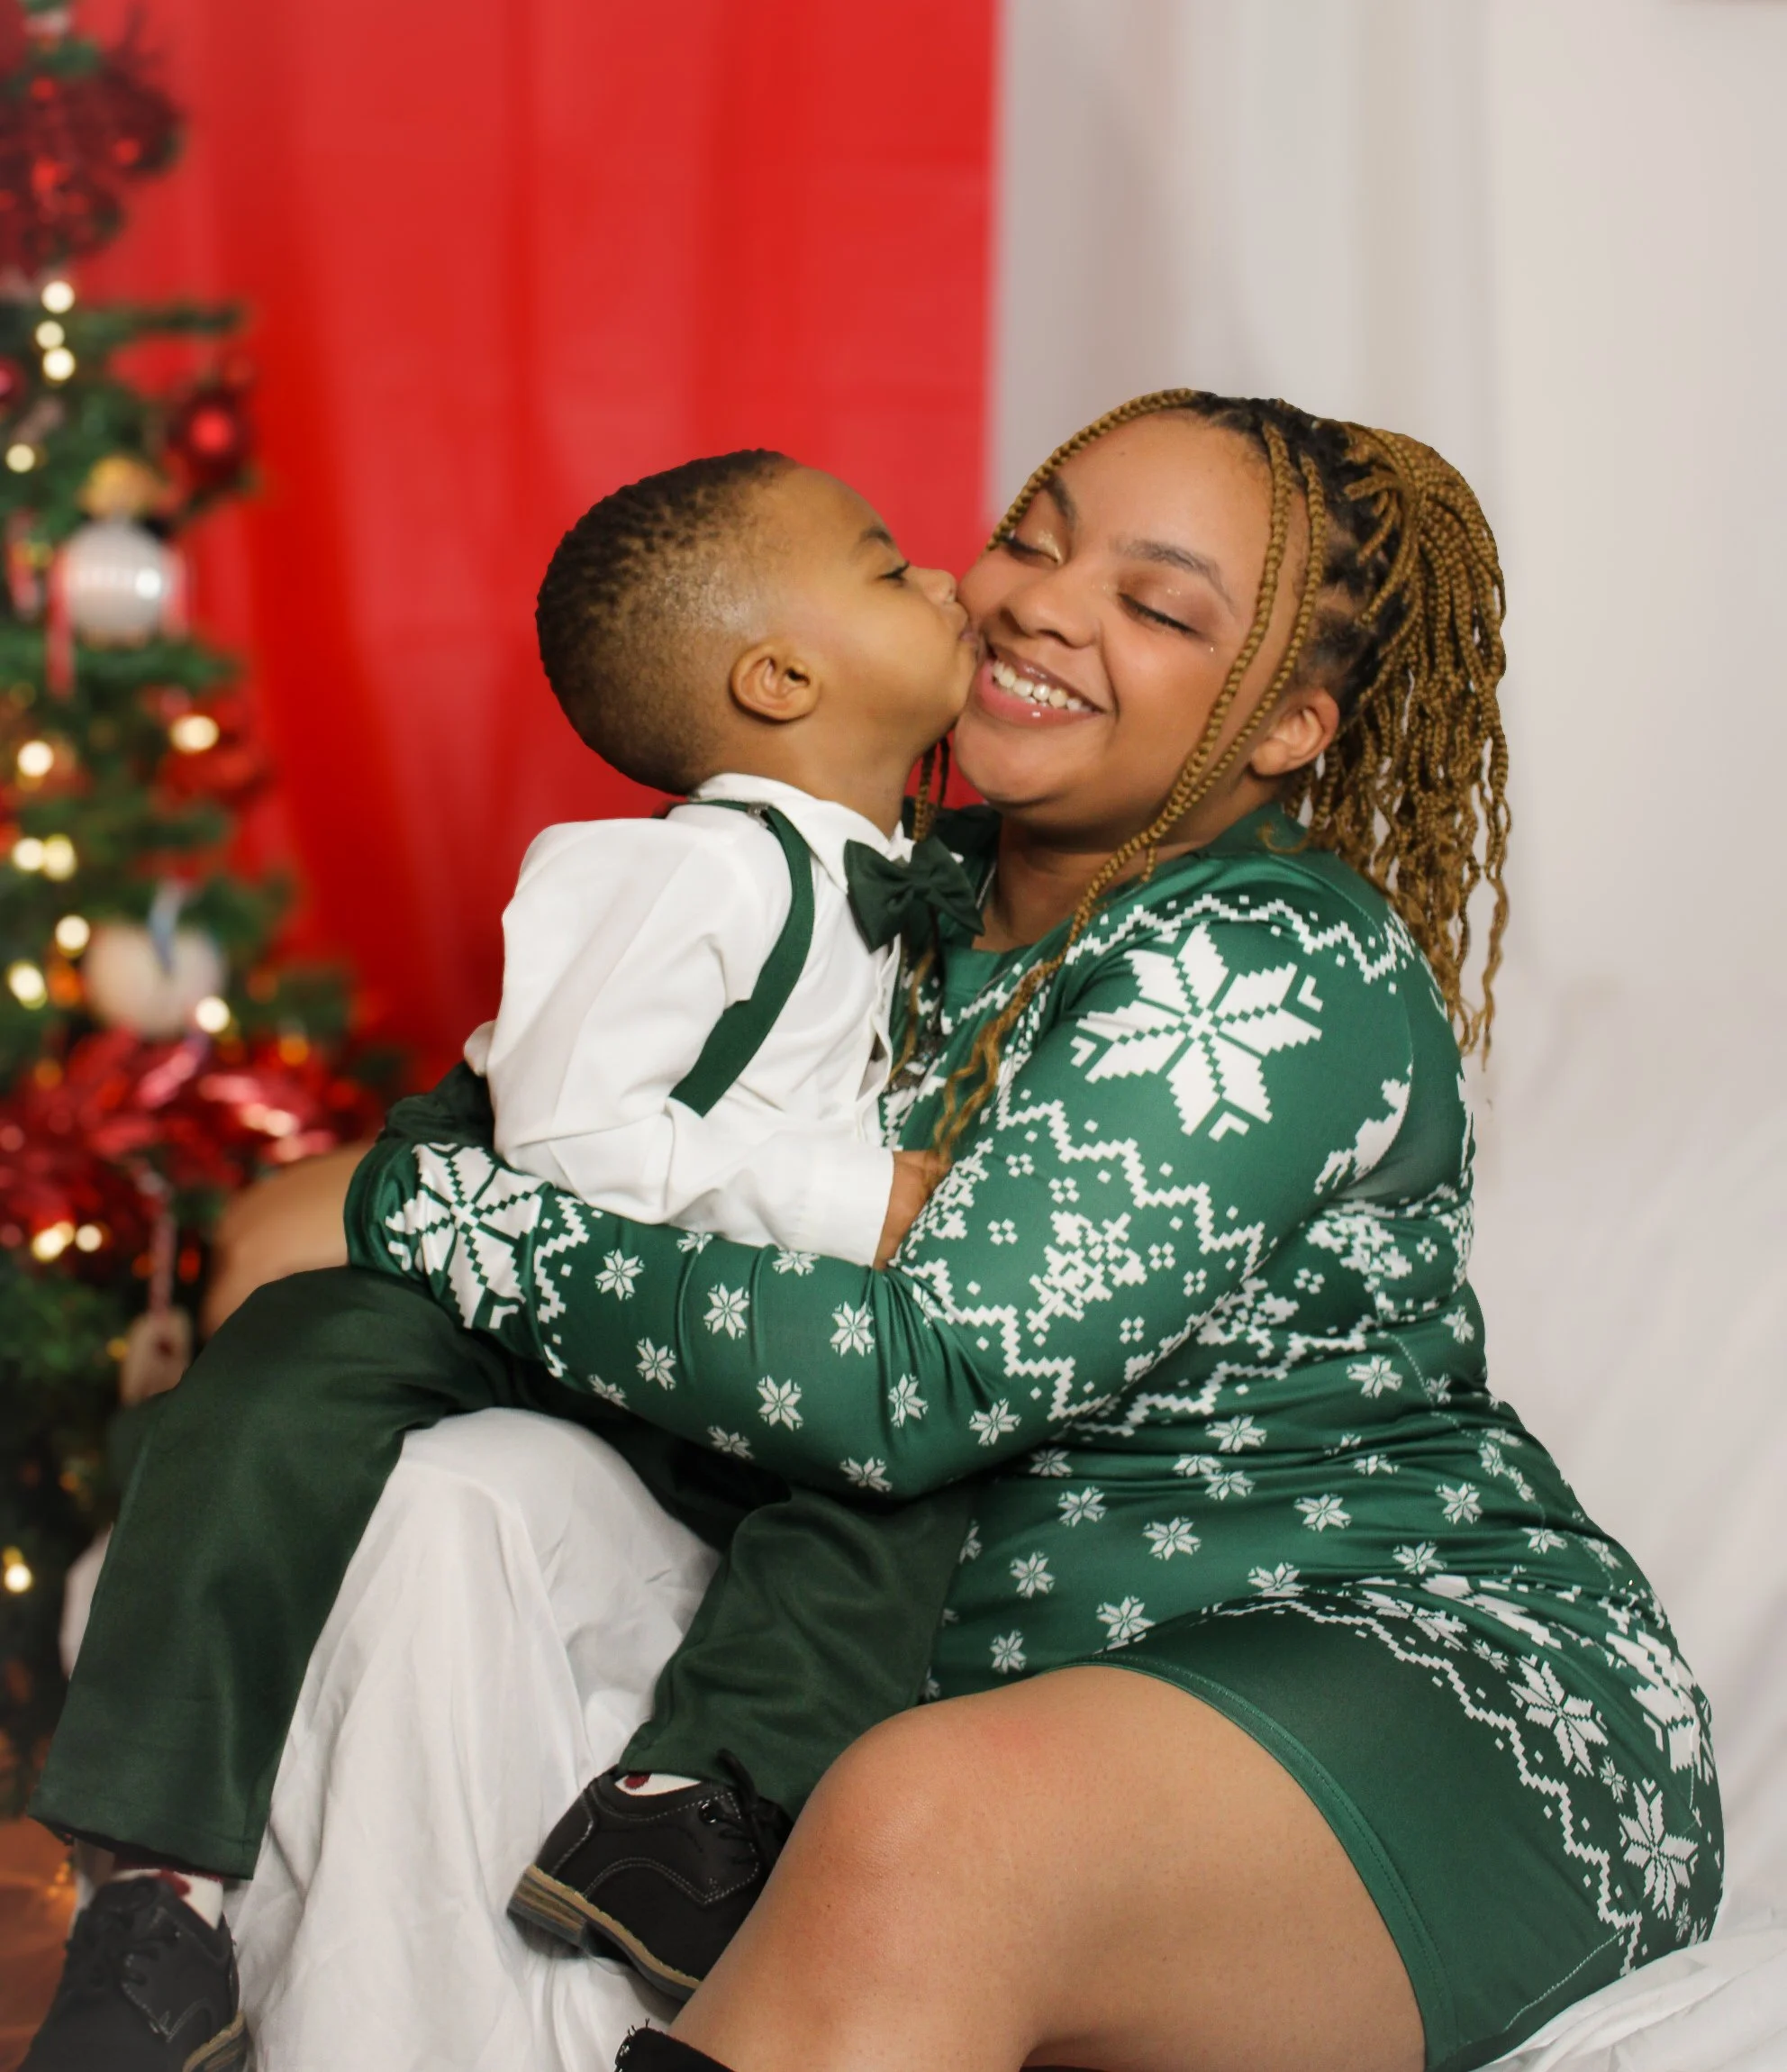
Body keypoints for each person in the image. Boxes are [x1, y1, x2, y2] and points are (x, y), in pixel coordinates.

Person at [33, 389, 1721, 2072]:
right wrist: (424, 1200)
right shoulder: (855, 881)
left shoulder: (1269, 963)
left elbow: (922, 1381)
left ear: (1286, 727)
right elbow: (516, 1158)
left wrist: (420, 1211)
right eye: (1034, 540)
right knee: (457, 1498)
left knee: (924, 1824)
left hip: (1391, 1680)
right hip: (962, 1674)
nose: (1043, 604)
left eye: (1154, 604)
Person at [25, 448, 992, 2058]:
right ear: (778, 678)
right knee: (284, 1382)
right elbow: (567, 1141)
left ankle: (685, 1822)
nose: (948, 580)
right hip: (510, 1261)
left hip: (698, 1322)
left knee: (884, 1487)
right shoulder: (677, 869)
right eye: (891, 569)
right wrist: (847, 1200)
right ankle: (161, 1887)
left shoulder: (910, 882)